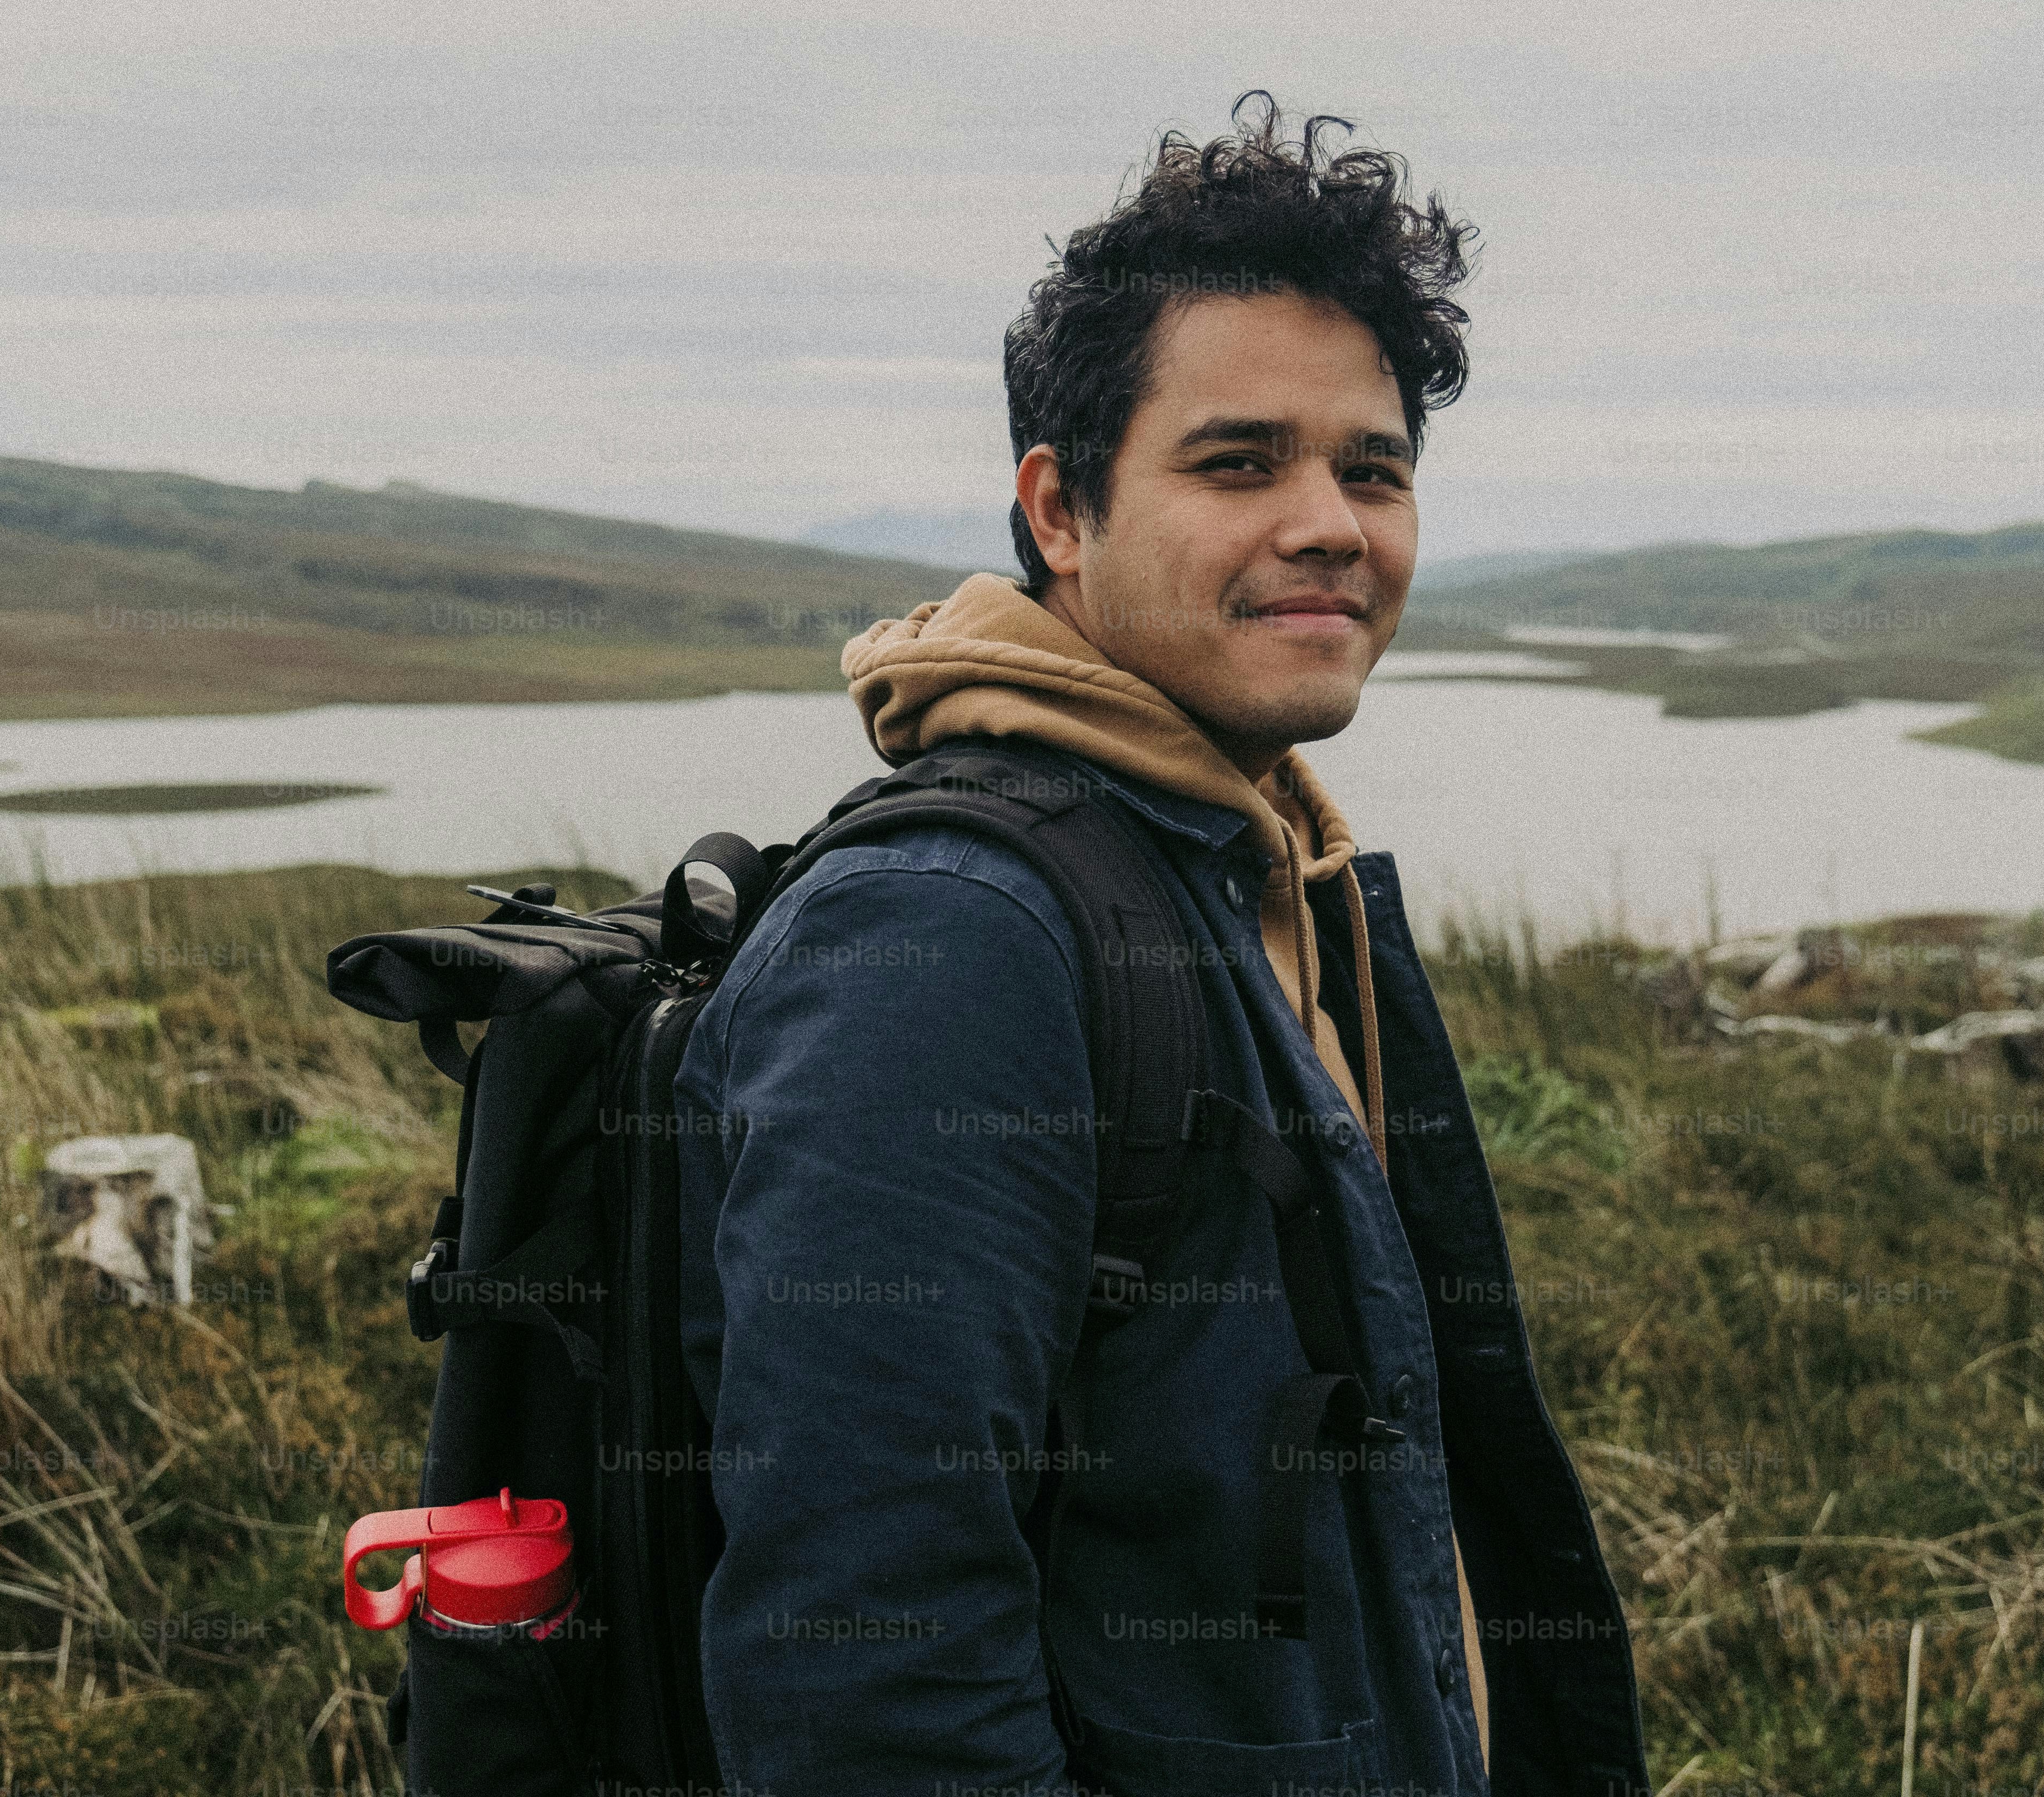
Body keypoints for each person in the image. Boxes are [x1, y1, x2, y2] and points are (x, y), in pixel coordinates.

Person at [674, 93, 1650, 1795]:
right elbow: (867, 1673)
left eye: (1374, 467)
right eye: (1237, 461)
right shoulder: (952, 940)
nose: (1332, 522)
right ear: (1060, 511)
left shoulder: (1249, 864)